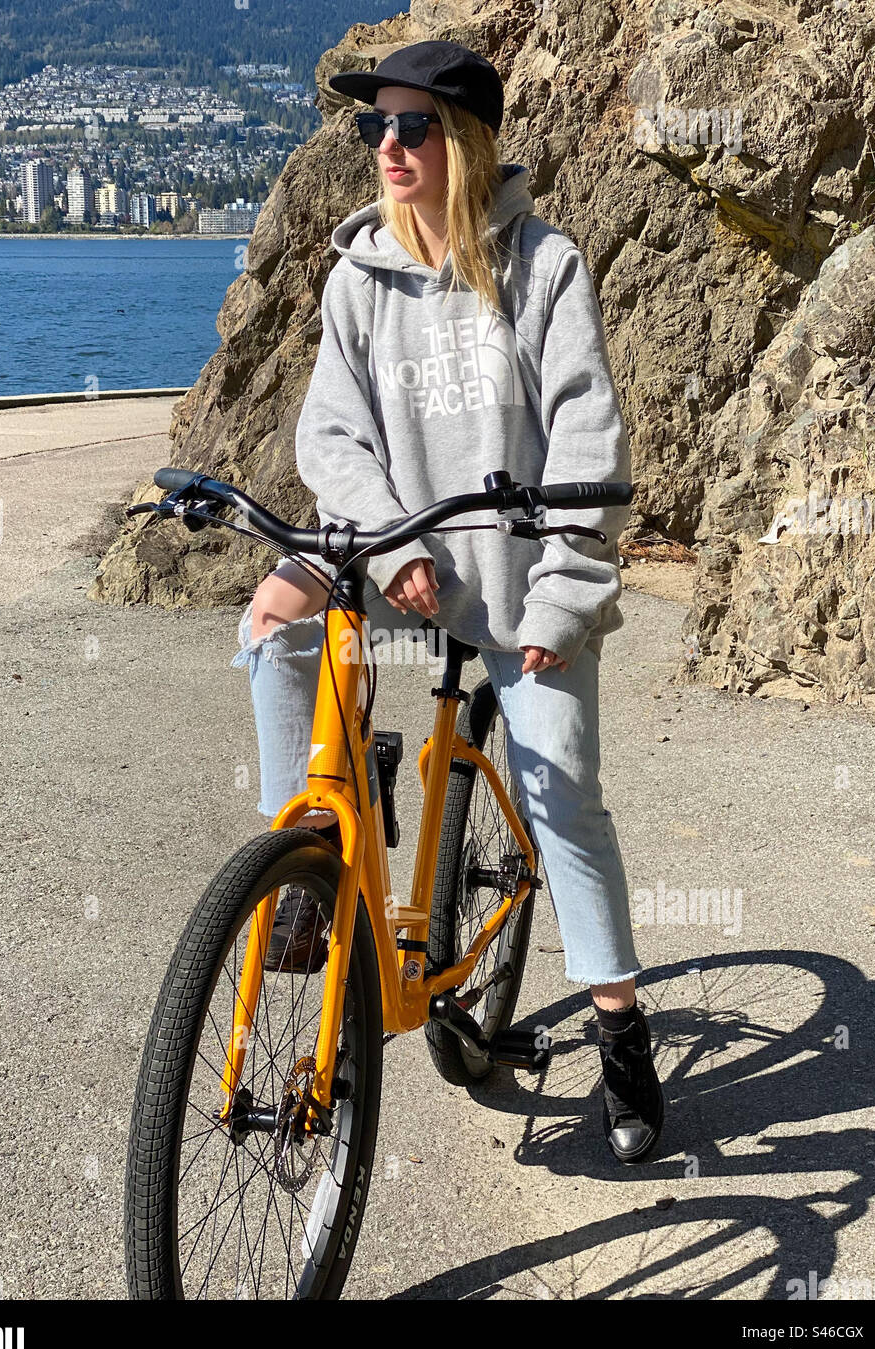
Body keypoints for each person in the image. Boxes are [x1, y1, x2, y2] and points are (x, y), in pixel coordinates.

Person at [231, 40, 664, 1163]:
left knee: (560, 794)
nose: (387, 146)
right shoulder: (356, 274)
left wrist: (563, 605)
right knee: (273, 619)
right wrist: (381, 541)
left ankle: (619, 1024)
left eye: (411, 125)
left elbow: (589, 439)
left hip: (520, 573)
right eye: (374, 127)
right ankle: (313, 868)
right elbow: (331, 433)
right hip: (398, 549)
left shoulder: (543, 266)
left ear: (463, 139)